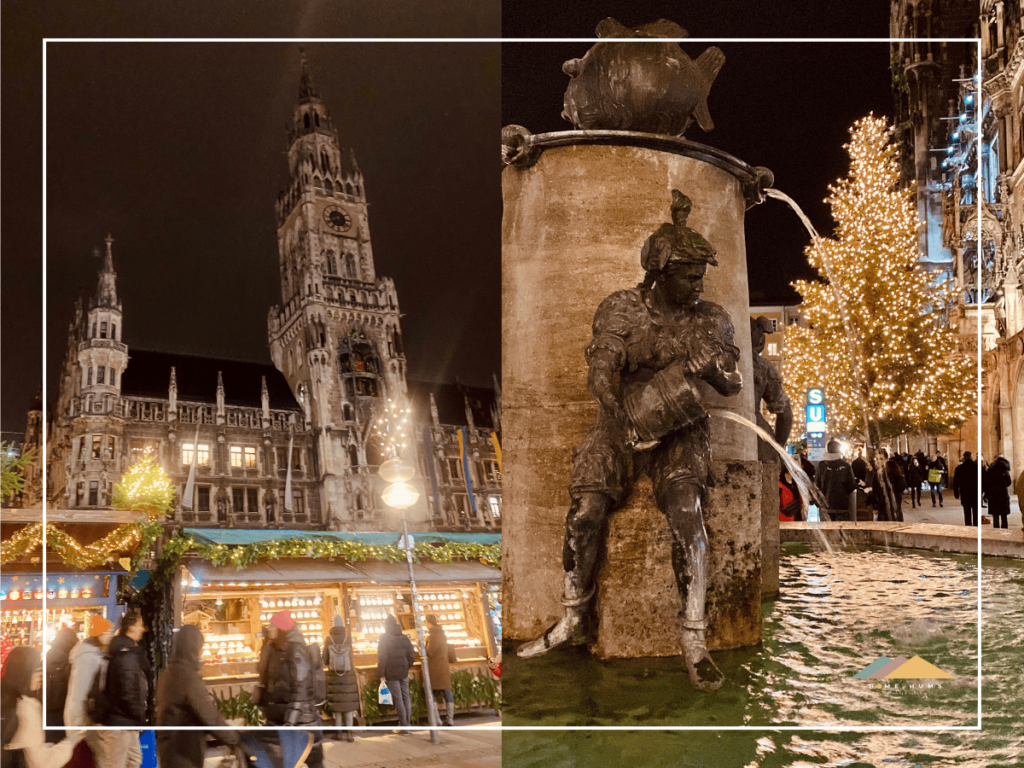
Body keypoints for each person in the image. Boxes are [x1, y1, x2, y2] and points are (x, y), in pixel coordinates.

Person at [517, 190, 744, 693]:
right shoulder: (622, 308)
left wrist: (716, 366)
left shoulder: (712, 318)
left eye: (701, 277)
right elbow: (600, 373)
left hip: (682, 428)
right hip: (621, 420)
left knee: (689, 517)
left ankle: (693, 638)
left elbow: (733, 382)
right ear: (660, 273)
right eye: (688, 277)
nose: (698, 285)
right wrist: (620, 420)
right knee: (584, 512)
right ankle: (573, 614)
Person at [156, 625, 242, 768]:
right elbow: (208, 715)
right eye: (200, 648)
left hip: (169, 750)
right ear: (193, 648)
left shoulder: (168, 673)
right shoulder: (187, 677)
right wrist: (235, 738)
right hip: (184, 753)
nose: (201, 652)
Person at [258, 610, 323, 768]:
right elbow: (267, 679)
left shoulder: (296, 650)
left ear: (281, 628)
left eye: (272, 626)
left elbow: (300, 688)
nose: (269, 629)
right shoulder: (273, 649)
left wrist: (291, 721)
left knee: (311, 761)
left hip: (301, 720)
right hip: (280, 718)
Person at [1, 646, 83, 768]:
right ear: (24, 672)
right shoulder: (27, 708)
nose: (41, 676)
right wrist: (71, 743)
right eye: (37, 671)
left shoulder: (6, 699)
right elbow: (41, 762)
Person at [92, 610, 149, 768]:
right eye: (140, 625)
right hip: (120, 721)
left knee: (133, 760)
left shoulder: (123, 650)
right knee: (117, 764)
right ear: (131, 627)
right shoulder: (125, 653)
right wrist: (139, 716)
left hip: (125, 721)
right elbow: (128, 692)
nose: (142, 629)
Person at [64, 614, 114, 768]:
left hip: (87, 720)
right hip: (83, 721)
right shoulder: (87, 657)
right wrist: (79, 725)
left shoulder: (95, 655)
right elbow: (79, 693)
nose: (110, 636)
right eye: (107, 632)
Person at [322, 617, 359, 741]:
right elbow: (351, 658)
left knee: (337, 706)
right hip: (347, 676)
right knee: (348, 705)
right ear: (343, 625)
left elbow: (325, 659)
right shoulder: (348, 639)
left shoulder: (329, 639)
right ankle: (349, 733)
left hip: (334, 677)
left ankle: (338, 733)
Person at [376, 615, 415, 728]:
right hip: (403, 671)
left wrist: (381, 674)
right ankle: (408, 722)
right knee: (406, 696)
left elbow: (382, 657)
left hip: (391, 672)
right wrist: (406, 666)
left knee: (398, 698)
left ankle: (403, 724)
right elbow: (411, 655)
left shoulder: (384, 638)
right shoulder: (404, 637)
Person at [44, 627, 78, 742]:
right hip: (61, 707)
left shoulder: (50, 654)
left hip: (47, 706)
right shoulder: (67, 658)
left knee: (50, 742)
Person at [424, 615, 455, 727]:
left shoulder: (432, 636)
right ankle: (450, 719)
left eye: (426, 622)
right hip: (444, 667)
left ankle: (437, 720)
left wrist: (421, 646)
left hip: (434, 668)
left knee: (431, 692)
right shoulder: (442, 634)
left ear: (429, 623)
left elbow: (430, 652)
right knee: (447, 691)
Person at [815, 440, 857, 521]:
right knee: (841, 531)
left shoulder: (821, 465)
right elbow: (852, 485)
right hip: (842, 505)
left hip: (825, 505)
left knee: (827, 531)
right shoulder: (845, 465)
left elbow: (817, 485)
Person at [872, 450, 906, 522]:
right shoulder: (876, 475)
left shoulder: (892, 470)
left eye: (881, 459)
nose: (879, 461)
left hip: (895, 507)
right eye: (877, 459)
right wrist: (875, 506)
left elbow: (902, 485)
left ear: (886, 459)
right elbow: (875, 492)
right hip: (883, 510)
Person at [983, 456, 1012, 529]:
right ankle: (1005, 529)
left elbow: (987, 483)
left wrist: (986, 494)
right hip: (1003, 493)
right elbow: (1009, 482)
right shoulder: (1005, 472)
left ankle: (996, 530)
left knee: (995, 515)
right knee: (1004, 515)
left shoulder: (991, 471)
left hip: (993, 494)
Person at [952, 451, 980, 526]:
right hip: (975, 492)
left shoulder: (959, 468)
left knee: (967, 512)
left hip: (965, 493)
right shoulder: (977, 467)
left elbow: (955, 482)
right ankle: (976, 526)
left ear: (963, 458)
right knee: (976, 511)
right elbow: (983, 480)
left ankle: (968, 527)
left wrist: (956, 493)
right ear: (971, 457)